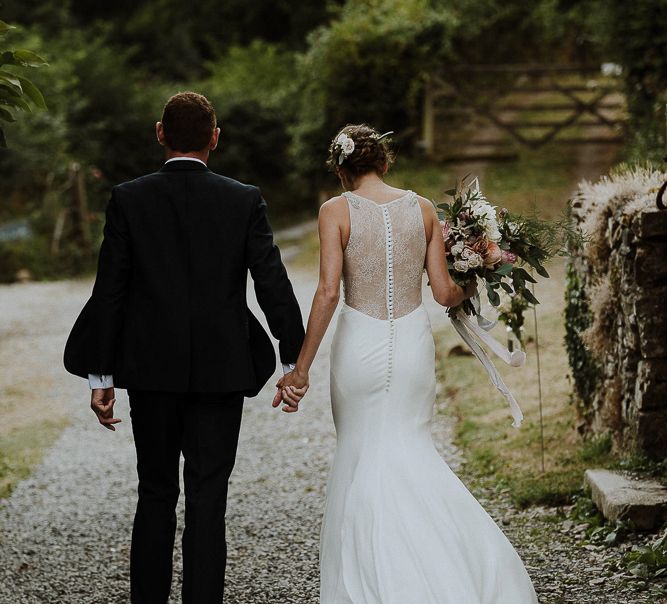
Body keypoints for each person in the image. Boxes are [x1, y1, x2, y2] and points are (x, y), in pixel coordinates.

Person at [276, 124, 539, 603]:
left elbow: (329, 292)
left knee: (360, 453)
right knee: (410, 447)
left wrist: (300, 368)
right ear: (386, 162)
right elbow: (443, 293)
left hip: (359, 344)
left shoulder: (334, 211)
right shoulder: (421, 209)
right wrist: (474, 276)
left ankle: (374, 581)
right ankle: (453, 567)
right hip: (413, 344)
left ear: (340, 168)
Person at [64, 91, 305, 604]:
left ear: (160, 133)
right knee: (207, 498)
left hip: (150, 371)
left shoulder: (129, 198)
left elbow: (110, 291)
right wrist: (291, 359)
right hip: (222, 370)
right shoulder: (243, 199)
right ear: (215, 139)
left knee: (154, 493)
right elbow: (271, 282)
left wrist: (101, 377)